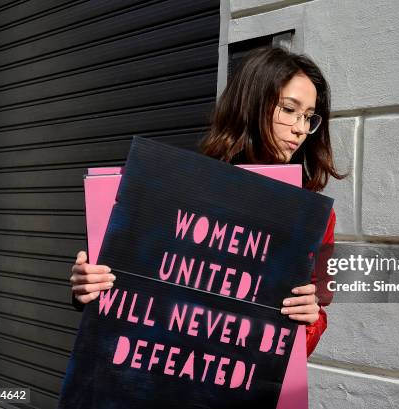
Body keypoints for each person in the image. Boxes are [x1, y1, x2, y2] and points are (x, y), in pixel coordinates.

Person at [70, 46, 344, 356]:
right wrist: (88, 287)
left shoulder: (314, 215)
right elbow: (131, 293)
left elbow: (315, 317)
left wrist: (309, 319)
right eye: (289, 109)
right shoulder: (179, 187)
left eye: (309, 117)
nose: (300, 129)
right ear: (251, 105)